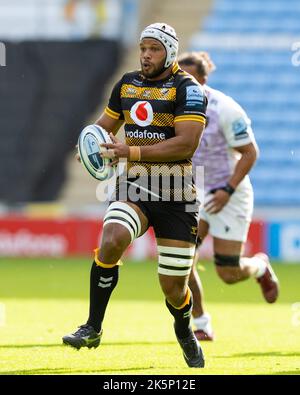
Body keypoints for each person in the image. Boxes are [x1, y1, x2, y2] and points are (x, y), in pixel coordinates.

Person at [63, 23, 208, 368]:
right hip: (135, 185)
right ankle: (93, 327)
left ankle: (184, 331)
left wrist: (131, 151)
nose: (145, 54)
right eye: (143, 47)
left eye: (154, 48)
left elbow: (186, 144)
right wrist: (91, 147)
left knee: (173, 288)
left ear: (170, 53)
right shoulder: (126, 84)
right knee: (112, 238)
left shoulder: (188, 90)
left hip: (177, 190)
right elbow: (102, 130)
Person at [178, 52, 279, 341]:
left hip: (229, 189)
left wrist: (228, 190)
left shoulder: (225, 108)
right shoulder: (172, 107)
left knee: (228, 274)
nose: (184, 86)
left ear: (204, 80)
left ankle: (259, 265)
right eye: (180, 79)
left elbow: (250, 153)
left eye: (190, 79)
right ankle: (201, 323)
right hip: (193, 188)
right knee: (181, 260)